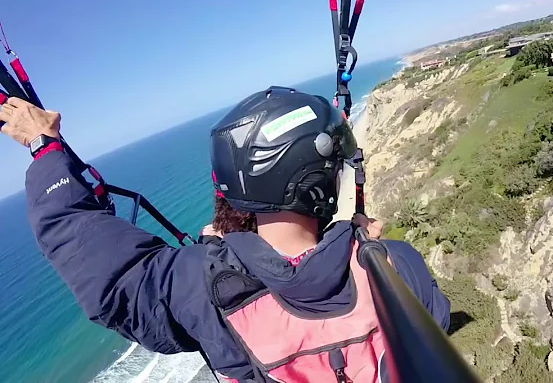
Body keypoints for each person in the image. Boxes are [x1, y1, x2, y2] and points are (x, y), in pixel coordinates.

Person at [0, 87, 450, 382]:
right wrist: (367, 248)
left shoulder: (200, 285)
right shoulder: (397, 266)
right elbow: (437, 326)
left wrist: (46, 149)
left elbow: (102, 270)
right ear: (316, 182)